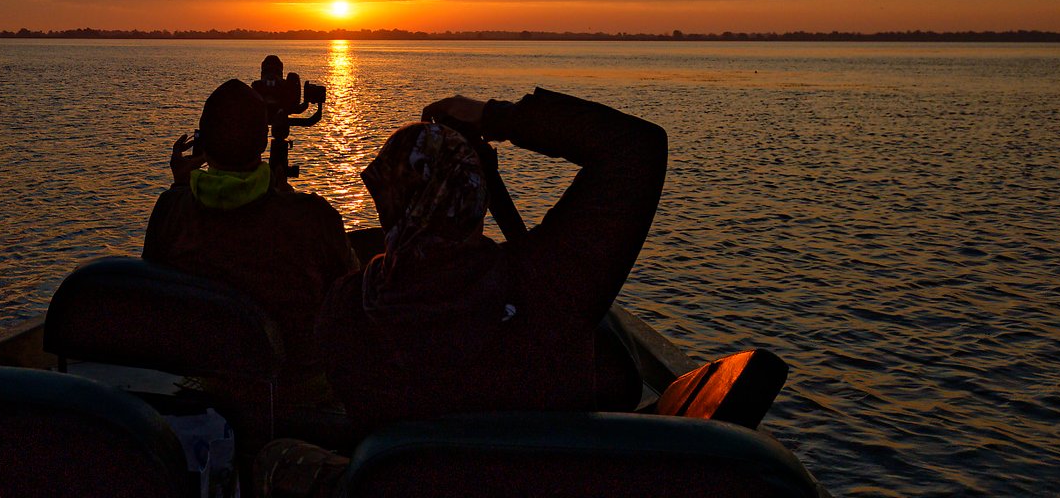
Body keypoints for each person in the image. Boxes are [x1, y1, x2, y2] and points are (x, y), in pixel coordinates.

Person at [315, 87, 667, 430]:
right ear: (476, 195)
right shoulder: (554, 285)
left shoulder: (346, 311)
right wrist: (494, 117)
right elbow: (636, 146)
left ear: (384, 199)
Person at [143, 79, 358, 372]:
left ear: (202, 143)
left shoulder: (170, 209)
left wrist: (180, 185)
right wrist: (286, 196)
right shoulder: (313, 217)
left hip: (200, 382)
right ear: (262, 143)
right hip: (293, 390)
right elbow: (351, 298)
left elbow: (154, 289)